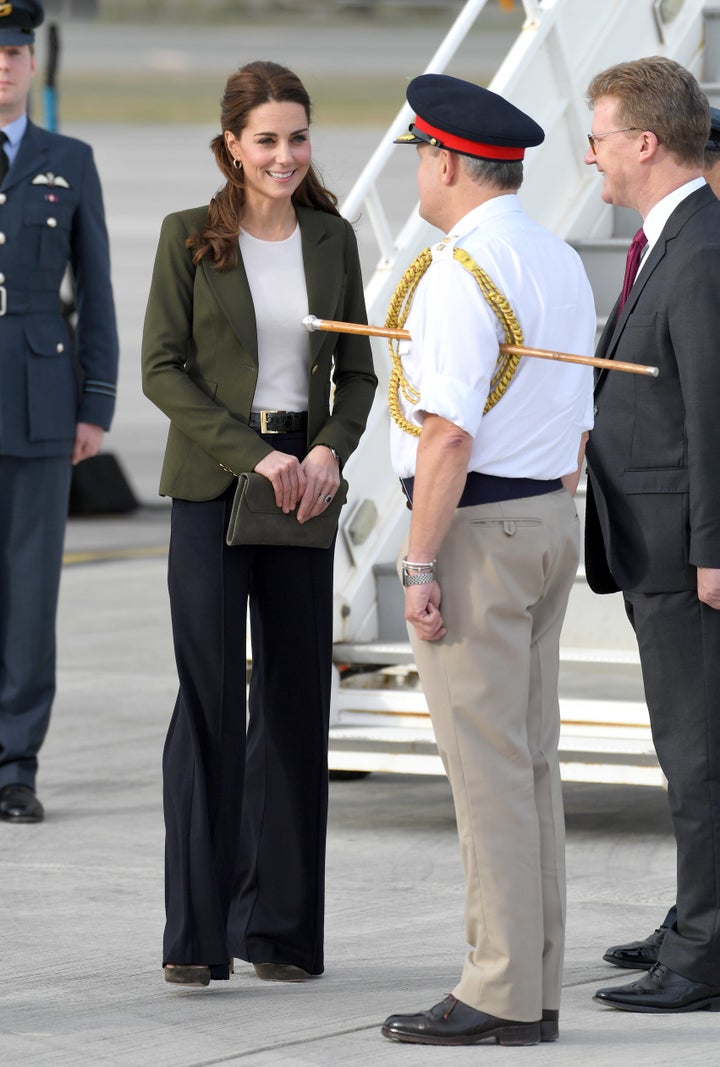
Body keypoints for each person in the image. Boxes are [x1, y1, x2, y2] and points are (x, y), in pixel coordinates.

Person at [141, 60, 376, 988]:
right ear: (232, 145)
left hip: (303, 491)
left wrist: (326, 452)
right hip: (213, 487)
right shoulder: (187, 238)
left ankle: (281, 930)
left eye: (299, 137)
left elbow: (356, 371)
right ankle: (195, 936)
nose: (286, 155)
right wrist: (255, 454)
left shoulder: (332, 236)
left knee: (293, 705)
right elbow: (162, 370)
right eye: (267, 139)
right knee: (209, 707)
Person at [379, 74, 595, 1046]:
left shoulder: (461, 270)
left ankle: (499, 987)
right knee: (532, 762)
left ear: (450, 162)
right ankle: (534, 979)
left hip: (480, 533)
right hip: (549, 516)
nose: (421, 173)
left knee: (489, 770)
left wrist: (419, 563)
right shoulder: (551, 254)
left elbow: (448, 433)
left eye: (423, 156)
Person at [583, 57, 720, 1013]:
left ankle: (706, 952)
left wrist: (715, 546)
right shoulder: (667, 239)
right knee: (688, 747)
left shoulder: (703, 250)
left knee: (699, 751)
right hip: (656, 535)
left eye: (597, 138)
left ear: (643, 141)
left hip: (685, 547)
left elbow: (715, 412)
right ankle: (693, 918)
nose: (588, 156)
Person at [0, 0, 118, 824]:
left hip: (39, 402)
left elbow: (99, 292)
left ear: (33, 64)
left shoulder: (67, 160)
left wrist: (96, 403)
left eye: (15, 51)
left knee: (29, 590)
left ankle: (14, 763)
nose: (4, 64)